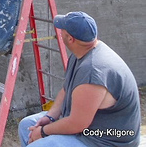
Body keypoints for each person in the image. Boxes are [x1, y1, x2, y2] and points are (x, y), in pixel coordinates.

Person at [18, 11, 140, 146]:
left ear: (70, 39)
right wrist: (50, 116)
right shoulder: (81, 54)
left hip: (105, 140)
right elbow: (66, 89)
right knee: (26, 126)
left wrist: (43, 132)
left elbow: (77, 123)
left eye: (62, 29)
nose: (59, 31)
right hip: (88, 128)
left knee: (38, 145)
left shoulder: (93, 71)